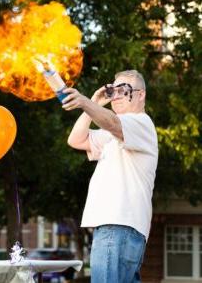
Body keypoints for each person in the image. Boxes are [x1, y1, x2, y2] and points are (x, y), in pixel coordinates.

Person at [62, 70, 158, 283]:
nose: (115, 96)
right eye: (112, 90)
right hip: (122, 230)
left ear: (140, 95)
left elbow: (113, 123)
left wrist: (86, 103)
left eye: (123, 90)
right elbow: (76, 140)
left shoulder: (141, 123)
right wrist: (95, 102)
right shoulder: (112, 137)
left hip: (117, 227)